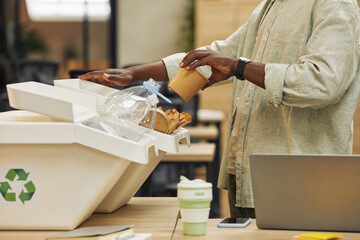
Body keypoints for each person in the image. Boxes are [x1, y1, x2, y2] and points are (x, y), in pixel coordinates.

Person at [79, 0, 360, 218]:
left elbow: (323, 82)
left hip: (301, 181)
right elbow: (215, 55)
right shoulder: (270, 6)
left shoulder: (334, 4)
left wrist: (239, 67)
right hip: (251, 175)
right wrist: (134, 74)